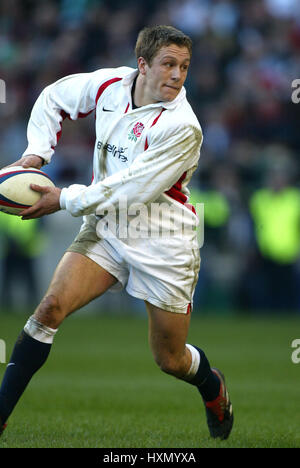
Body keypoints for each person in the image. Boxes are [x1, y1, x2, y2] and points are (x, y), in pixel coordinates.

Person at [0, 25, 233, 441]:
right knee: (49, 309)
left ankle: (211, 386)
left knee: (170, 359)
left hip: (164, 242)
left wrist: (62, 199)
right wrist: (37, 151)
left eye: (184, 67)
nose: (177, 76)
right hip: (108, 227)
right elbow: (54, 96)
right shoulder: (111, 84)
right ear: (141, 65)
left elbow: (128, 189)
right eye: (168, 64)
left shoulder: (183, 126)